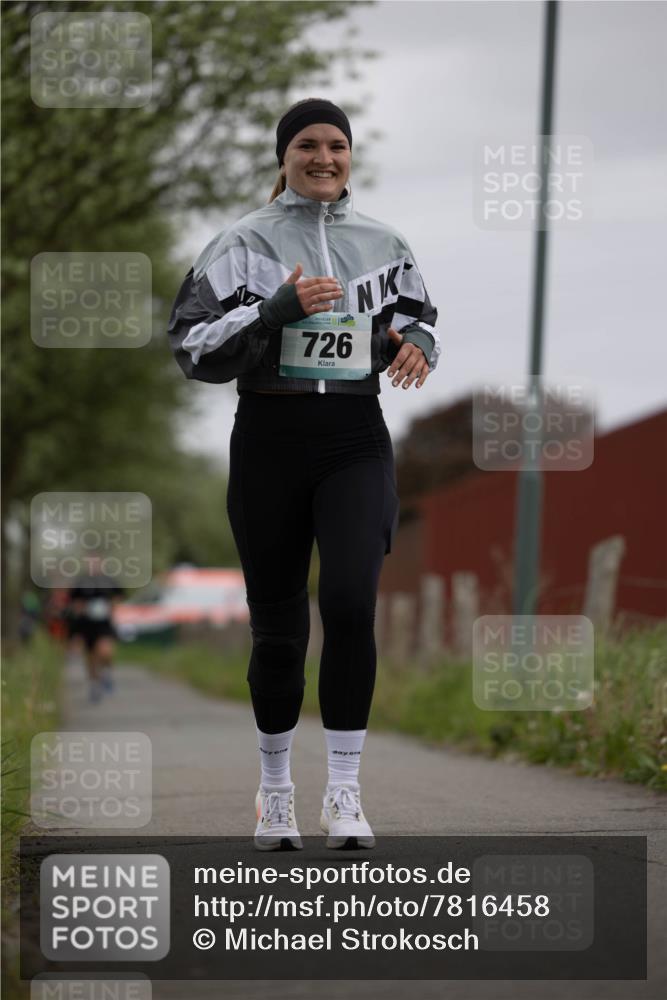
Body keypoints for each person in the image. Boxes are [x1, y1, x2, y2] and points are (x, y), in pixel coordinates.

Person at [168, 98, 440, 850]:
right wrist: (273, 310)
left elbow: (417, 315)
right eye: (308, 146)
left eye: (337, 146)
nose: (324, 158)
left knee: (350, 604)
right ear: (284, 156)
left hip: (353, 438)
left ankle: (345, 795)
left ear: (350, 157)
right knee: (280, 632)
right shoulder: (243, 242)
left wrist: (416, 343)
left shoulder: (383, 241)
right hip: (269, 438)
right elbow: (190, 344)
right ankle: (278, 791)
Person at [67, 556, 125, 704]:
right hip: (87, 625)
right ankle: (94, 685)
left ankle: (106, 673)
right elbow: (73, 601)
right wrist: (81, 609)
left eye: (96, 563)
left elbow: (119, 596)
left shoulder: (108, 581)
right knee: (91, 657)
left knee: (105, 651)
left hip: (104, 623)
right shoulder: (81, 582)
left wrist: (112, 607)